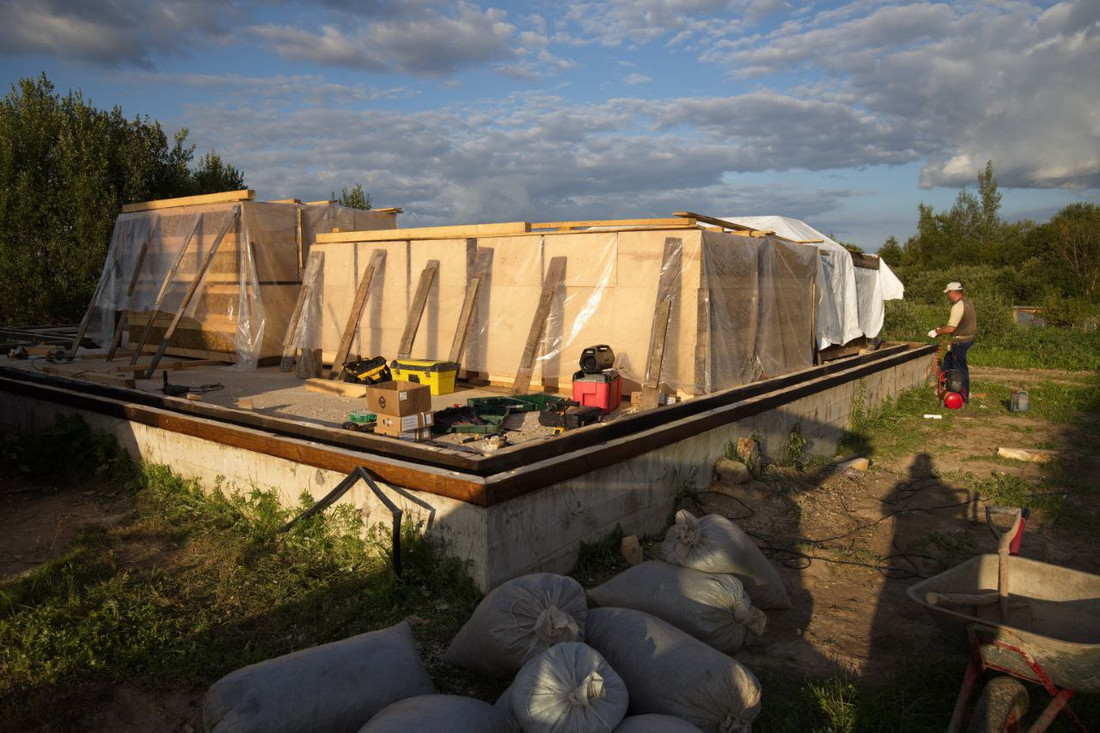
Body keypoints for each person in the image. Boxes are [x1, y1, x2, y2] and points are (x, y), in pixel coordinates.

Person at [927, 282, 977, 402]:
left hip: (960, 341)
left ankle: (963, 397)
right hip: (969, 338)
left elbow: (951, 328)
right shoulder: (968, 303)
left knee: (960, 369)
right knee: (948, 361)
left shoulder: (957, 306)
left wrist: (936, 331)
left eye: (948, 293)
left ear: (953, 292)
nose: (948, 295)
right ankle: (944, 387)